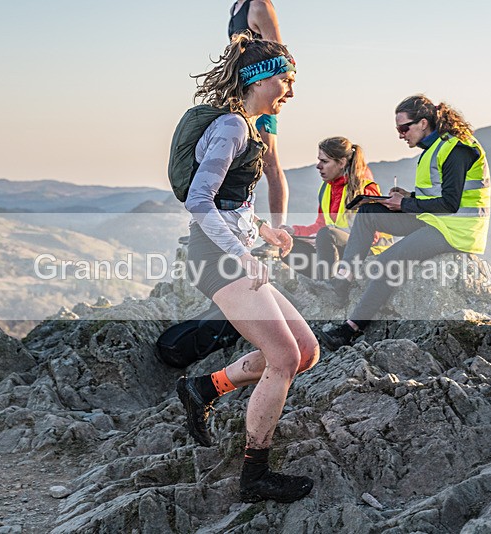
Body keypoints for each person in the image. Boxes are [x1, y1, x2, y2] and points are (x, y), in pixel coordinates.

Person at [176, 33, 319, 504]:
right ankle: (254, 475)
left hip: (233, 252)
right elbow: (200, 201)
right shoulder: (233, 128)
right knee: (282, 359)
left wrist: (264, 232)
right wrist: (240, 254)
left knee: (304, 351)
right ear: (258, 80)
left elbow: (230, 205)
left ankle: (204, 387)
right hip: (216, 257)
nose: (291, 91)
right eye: (285, 80)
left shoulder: (249, 129)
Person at [319, 94, 491, 350]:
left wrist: (404, 205)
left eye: (404, 128)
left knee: (387, 261)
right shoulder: (436, 147)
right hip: (433, 219)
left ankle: (350, 328)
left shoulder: (457, 148)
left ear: (423, 123)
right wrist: (407, 197)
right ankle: (342, 280)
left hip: (457, 229)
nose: (401, 135)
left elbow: (450, 203)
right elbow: (435, 196)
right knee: (368, 214)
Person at [282, 136, 391, 279]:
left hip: (368, 252)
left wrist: (329, 238)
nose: (318, 166)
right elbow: (320, 226)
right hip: (339, 249)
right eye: (319, 160)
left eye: (324, 161)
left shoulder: (364, 189)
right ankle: (322, 282)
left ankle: (330, 286)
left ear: (341, 163)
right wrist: (293, 231)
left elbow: (372, 237)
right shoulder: (326, 189)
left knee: (327, 235)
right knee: (287, 247)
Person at [228, 0, 288, 229]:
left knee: (269, 161)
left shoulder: (260, 6)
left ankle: (278, 228)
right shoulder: (235, 8)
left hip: (261, 93)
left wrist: (273, 94)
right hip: (240, 95)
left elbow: (279, 55)